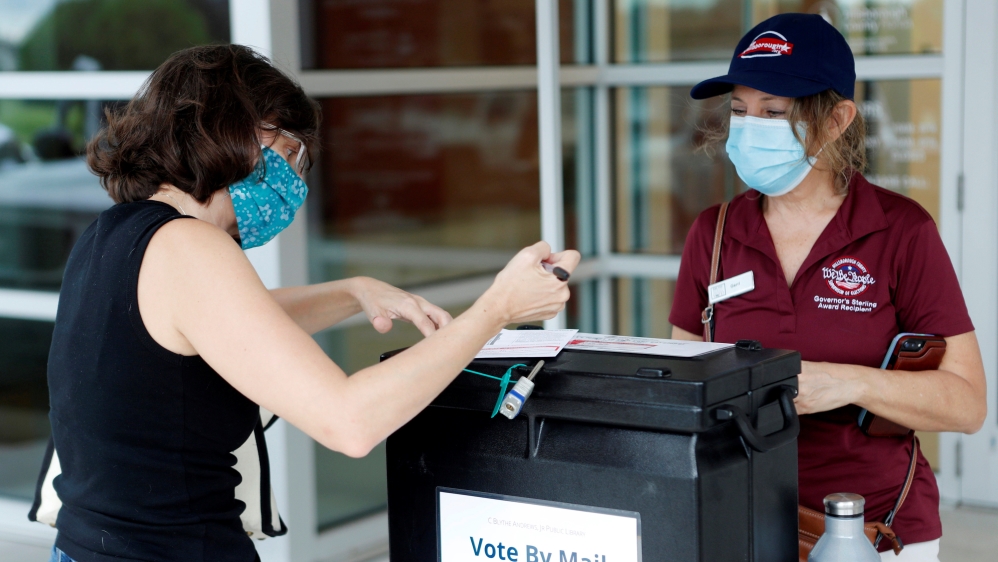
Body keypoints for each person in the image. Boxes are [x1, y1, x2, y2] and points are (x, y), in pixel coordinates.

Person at [43, 45, 579, 562]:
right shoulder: (191, 247)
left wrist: (352, 292)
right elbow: (349, 422)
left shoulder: (115, 233)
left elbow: (225, 328)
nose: (293, 178)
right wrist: (496, 310)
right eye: (289, 150)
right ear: (228, 127)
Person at [669, 14, 986, 562]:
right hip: (736, 518)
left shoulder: (901, 231)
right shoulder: (714, 234)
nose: (749, 129)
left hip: (877, 530)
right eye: (740, 112)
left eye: (775, 113)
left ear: (837, 119)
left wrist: (848, 383)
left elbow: (967, 405)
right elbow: (682, 386)